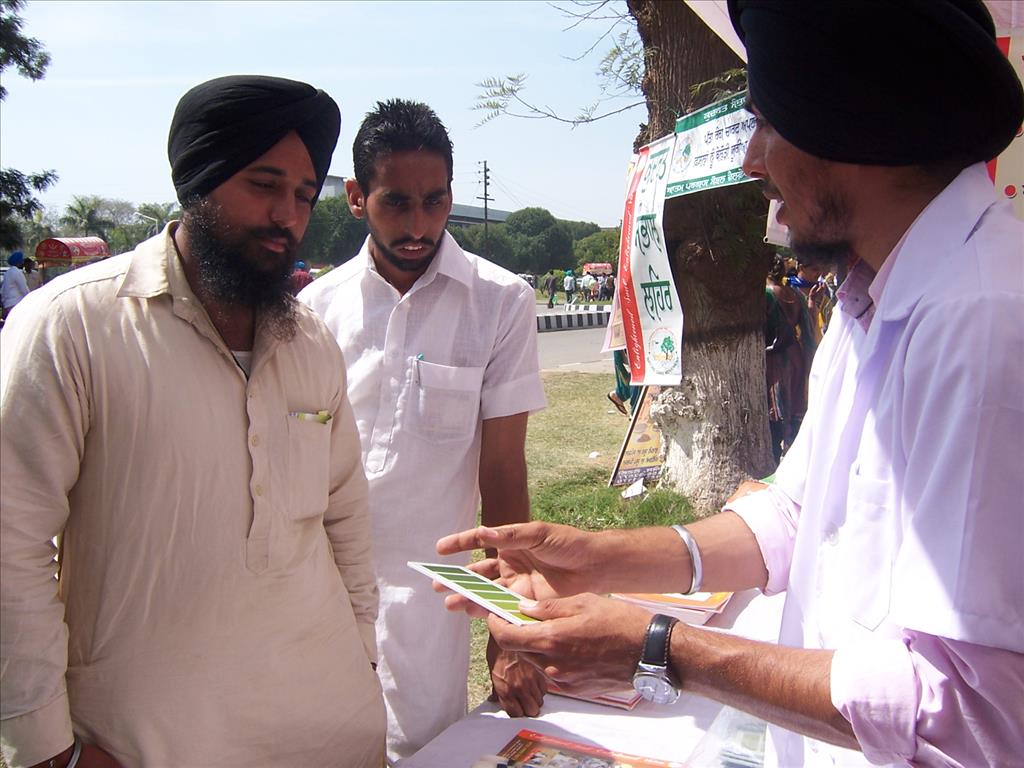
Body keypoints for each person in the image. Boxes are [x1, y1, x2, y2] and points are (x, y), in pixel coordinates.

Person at [437, 2, 1024, 766]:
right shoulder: (875, 299)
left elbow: (972, 709)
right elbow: (793, 515)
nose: (753, 161)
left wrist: (662, 649)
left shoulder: (983, 325)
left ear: (847, 121)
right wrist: (599, 558)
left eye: (767, 124)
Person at [0, 75, 386, 768]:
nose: (286, 215)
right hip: (150, 742)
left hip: (331, 728)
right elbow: (10, 542)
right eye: (263, 185)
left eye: (303, 195)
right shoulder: (71, 326)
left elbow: (346, 520)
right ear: (198, 183)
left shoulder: (310, 340)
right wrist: (47, 747)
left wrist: (362, 656)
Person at [298, 99, 547, 761]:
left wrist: (508, 628)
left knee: (422, 751)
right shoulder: (314, 310)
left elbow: (503, 474)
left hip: (427, 603)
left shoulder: (500, 302)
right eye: (396, 203)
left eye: (434, 202)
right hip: (317, 593)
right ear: (357, 198)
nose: (418, 225)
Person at [1, 251, 30, 320]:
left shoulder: (7, 273)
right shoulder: (17, 272)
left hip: (8, 304)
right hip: (16, 303)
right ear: (19, 262)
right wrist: (30, 298)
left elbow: (3, 289)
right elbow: (24, 288)